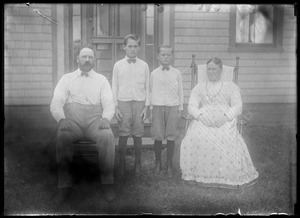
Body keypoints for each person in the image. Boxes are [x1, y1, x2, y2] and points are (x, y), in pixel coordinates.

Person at [180, 57, 259, 188]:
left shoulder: (231, 87)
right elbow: (191, 106)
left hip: (224, 118)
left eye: (214, 69)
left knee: (225, 138)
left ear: (221, 70)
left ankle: (225, 176)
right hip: (203, 118)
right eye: (209, 69)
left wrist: (225, 117)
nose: (211, 72)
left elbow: (238, 106)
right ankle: (196, 175)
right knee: (195, 137)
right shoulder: (199, 87)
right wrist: (200, 116)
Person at [50, 46, 116, 202]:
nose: (87, 60)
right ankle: (64, 187)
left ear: (94, 59)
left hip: (95, 120)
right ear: (77, 59)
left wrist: (106, 118)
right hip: (73, 120)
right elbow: (57, 101)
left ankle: (107, 184)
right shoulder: (67, 78)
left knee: (107, 136)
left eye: (90, 57)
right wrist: (62, 119)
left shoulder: (101, 80)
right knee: (63, 136)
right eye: (84, 57)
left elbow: (109, 102)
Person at [111, 34, 150, 176]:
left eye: (135, 46)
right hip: (123, 102)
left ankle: (137, 163)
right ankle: (122, 164)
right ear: (124, 47)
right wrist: (115, 106)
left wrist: (146, 106)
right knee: (123, 133)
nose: (132, 49)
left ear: (139, 48)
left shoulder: (144, 65)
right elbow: (114, 86)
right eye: (130, 46)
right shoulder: (118, 65)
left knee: (138, 134)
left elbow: (147, 86)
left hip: (139, 103)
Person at [149, 45, 184, 177]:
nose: (166, 57)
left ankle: (169, 163)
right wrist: (151, 108)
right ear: (158, 56)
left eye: (168, 54)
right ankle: (158, 163)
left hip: (173, 106)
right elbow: (151, 91)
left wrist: (180, 108)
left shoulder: (177, 73)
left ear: (172, 57)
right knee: (158, 135)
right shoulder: (154, 73)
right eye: (163, 54)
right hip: (157, 106)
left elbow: (180, 91)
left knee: (171, 135)